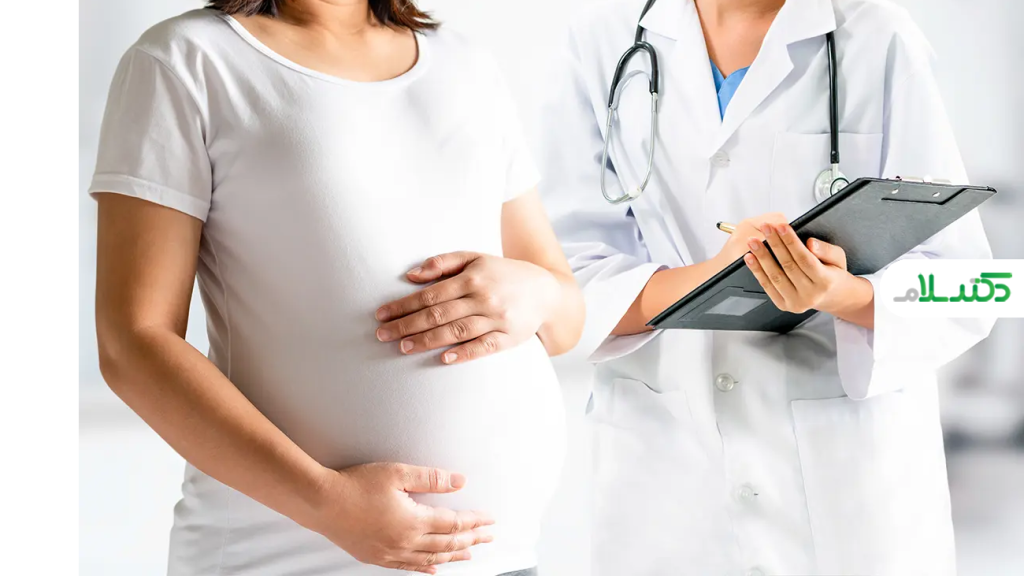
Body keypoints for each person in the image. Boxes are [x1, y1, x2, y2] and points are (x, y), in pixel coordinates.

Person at [91, 1, 584, 575]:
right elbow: (133, 342)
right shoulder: (187, 61)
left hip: (499, 557)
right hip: (286, 558)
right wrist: (325, 501)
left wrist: (537, 293)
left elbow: (566, 318)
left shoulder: (465, 63)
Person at [535, 0, 994, 574]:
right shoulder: (603, 38)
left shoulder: (878, 35)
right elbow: (559, 285)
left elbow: (973, 285)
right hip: (666, 474)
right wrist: (716, 278)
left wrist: (840, 294)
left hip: (846, 484)